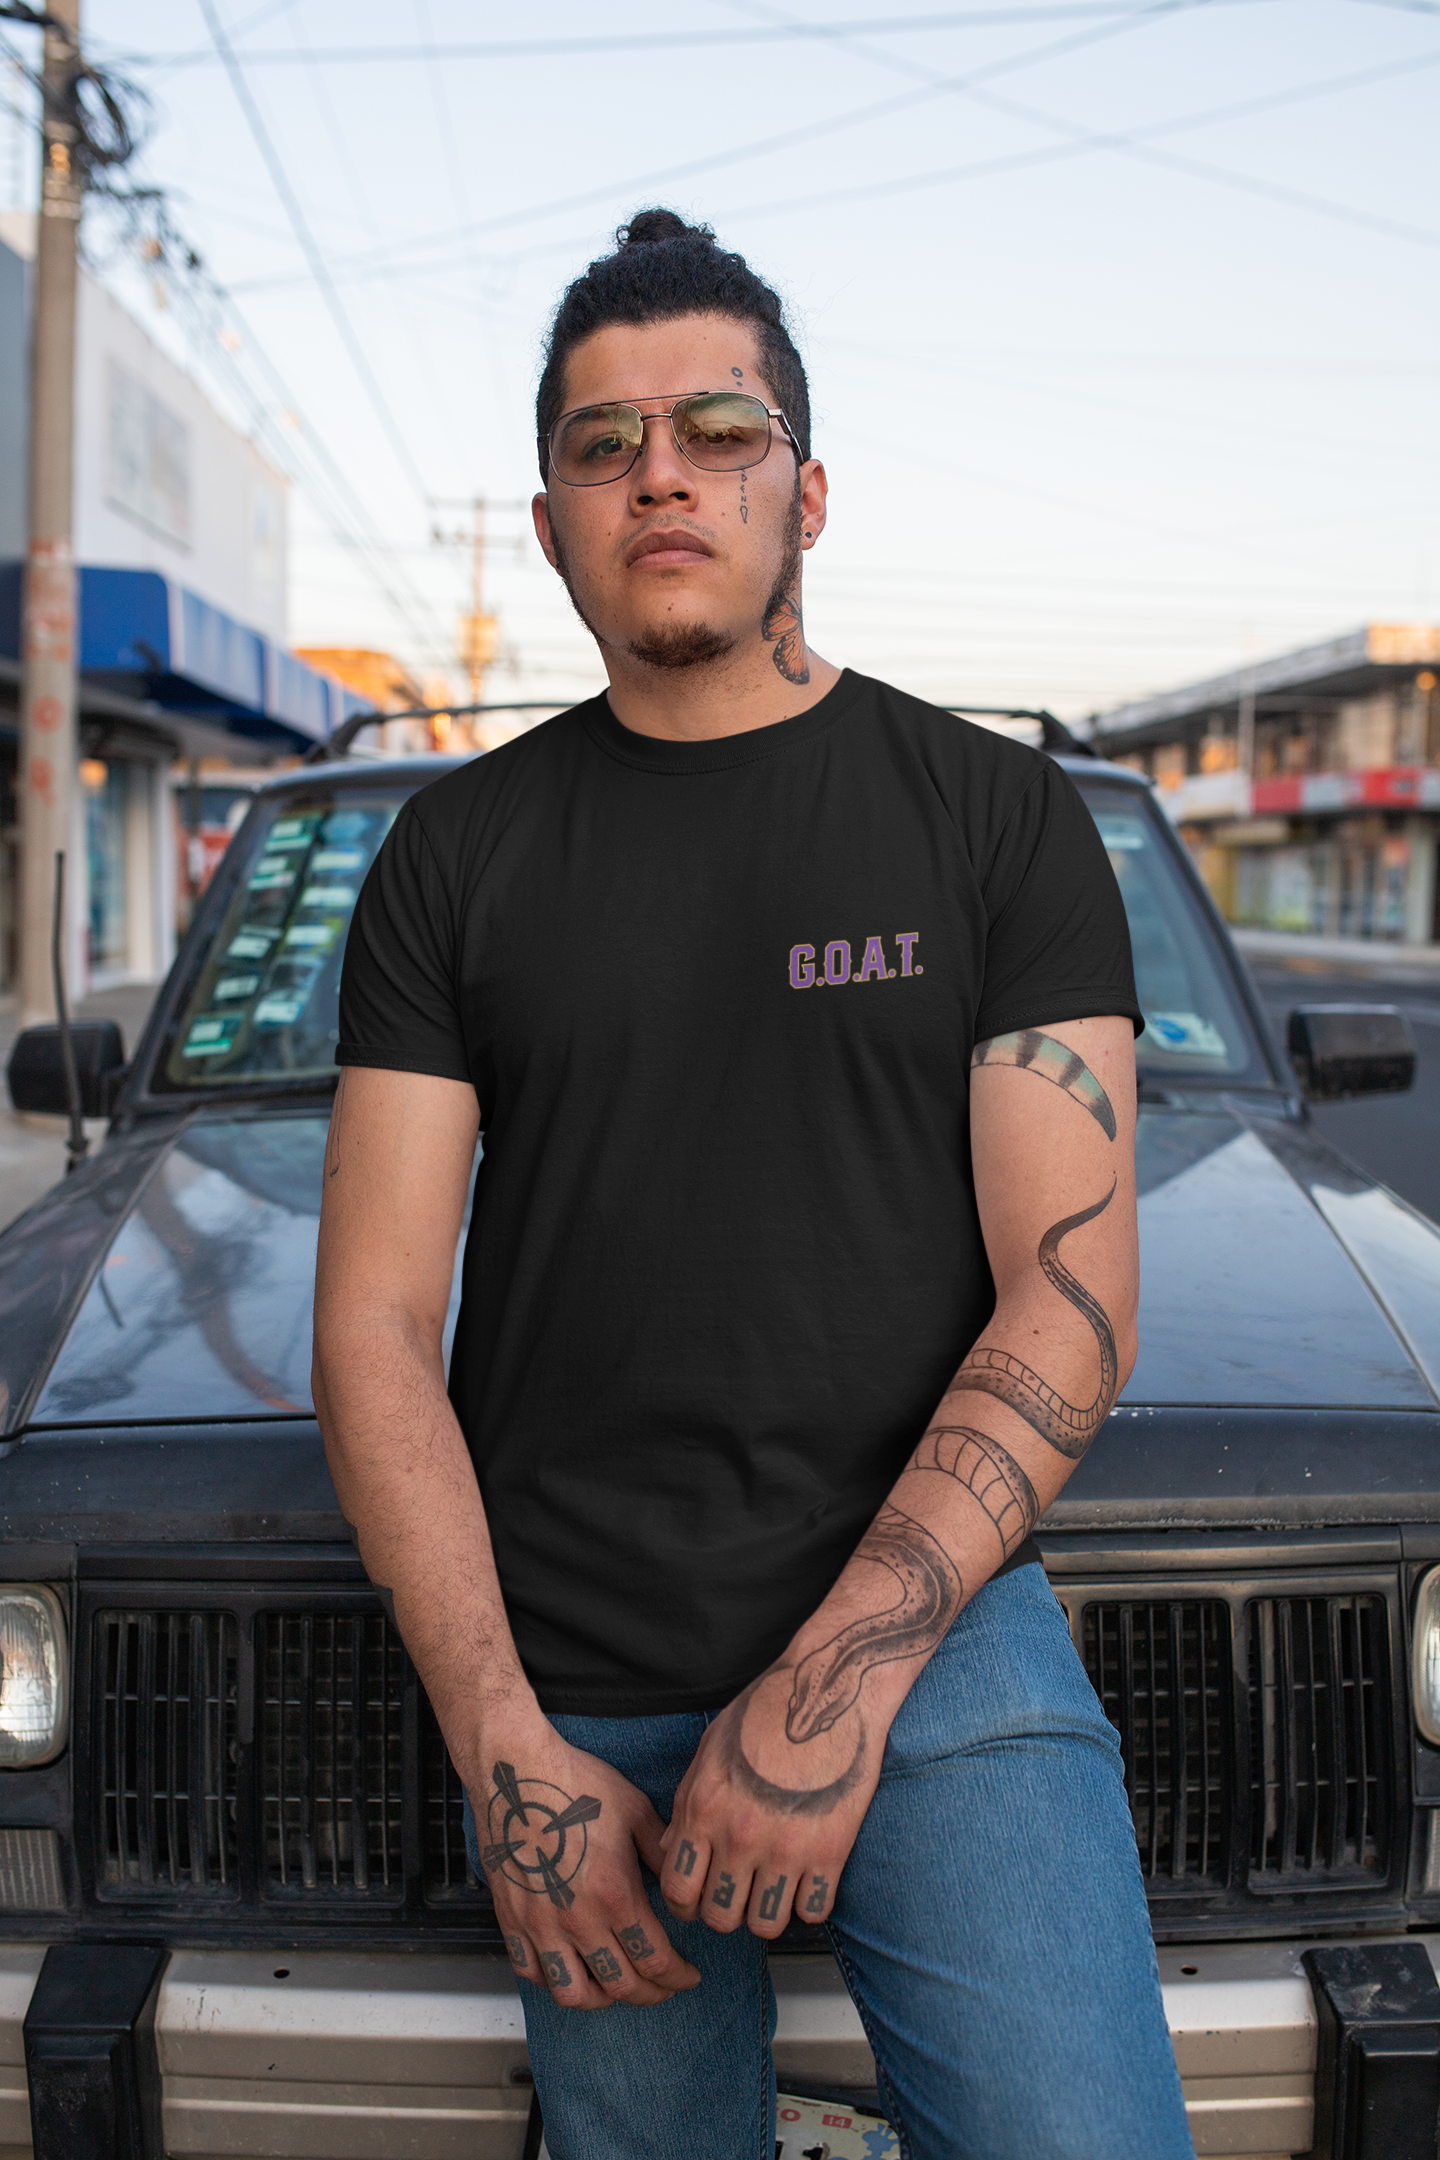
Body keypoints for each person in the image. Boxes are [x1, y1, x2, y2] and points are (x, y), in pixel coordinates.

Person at [313, 208, 1194, 2160]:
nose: (663, 475)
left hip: (938, 1646)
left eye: (716, 428)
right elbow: (374, 1323)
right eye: (603, 444)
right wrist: (506, 1752)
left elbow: (1073, 1291)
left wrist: (827, 1690)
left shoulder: (988, 819)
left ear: (806, 487)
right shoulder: (453, 860)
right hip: (573, 1686)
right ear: (548, 522)